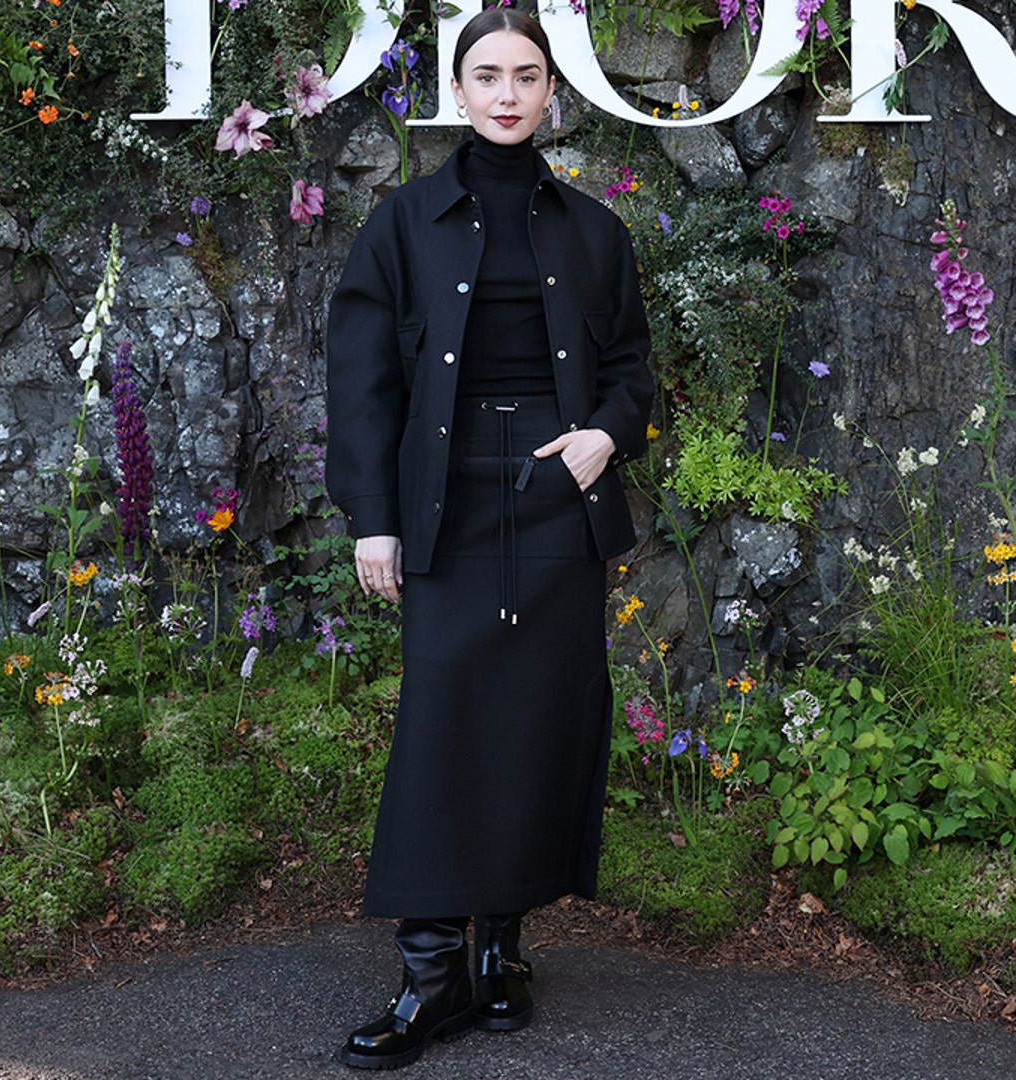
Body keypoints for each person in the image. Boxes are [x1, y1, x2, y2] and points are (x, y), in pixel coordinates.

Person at [323, 7, 655, 1071]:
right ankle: (430, 978)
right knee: (444, 724)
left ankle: (500, 955)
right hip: (446, 510)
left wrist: (605, 436)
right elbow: (364, 387)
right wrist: (372, 519)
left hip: (558, 504)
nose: (507, 93)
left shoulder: (595, 229)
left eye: (526, 75)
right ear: (457, 91)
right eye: (486, 75)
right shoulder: (404, 223)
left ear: (553, 89)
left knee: (538, 725)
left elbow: (634, 373)